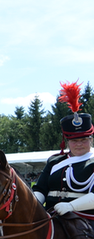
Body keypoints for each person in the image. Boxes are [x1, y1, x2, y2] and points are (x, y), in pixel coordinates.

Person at [33, 81, 94, 216]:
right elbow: (41, 189)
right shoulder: (55, 161)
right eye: (74, 140)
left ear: (91, 140)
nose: (79, 144)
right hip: (49, 215)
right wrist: (31, 206)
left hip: (84, 217)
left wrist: (72, 205)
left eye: (83, 139)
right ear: (66, 141)